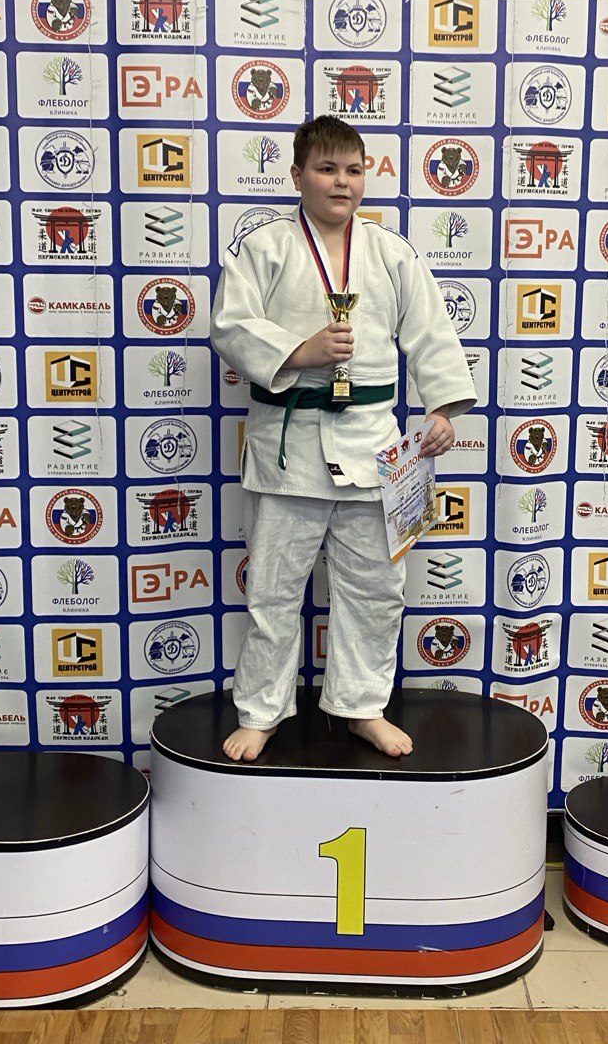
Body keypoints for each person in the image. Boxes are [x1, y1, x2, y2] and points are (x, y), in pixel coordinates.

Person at [209, 115, 475, 762]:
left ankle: (361, 706)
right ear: (297, 175)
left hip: (375, 447)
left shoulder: (391, 252)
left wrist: (442, 408)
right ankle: (261, 711)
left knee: (376, 590)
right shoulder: (264, 248)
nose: (341, 182)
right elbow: (230, 326)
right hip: (290, 447)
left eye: (353, 170)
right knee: (274, 591)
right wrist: (299, 351)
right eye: (326, 169)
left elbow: (431, 332)